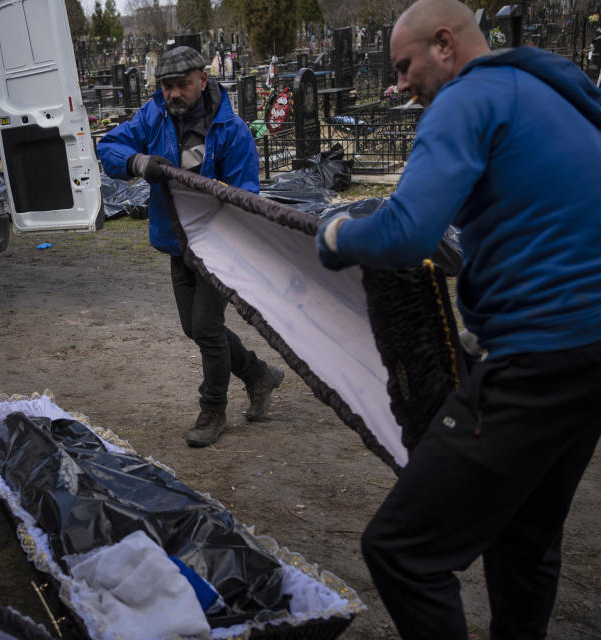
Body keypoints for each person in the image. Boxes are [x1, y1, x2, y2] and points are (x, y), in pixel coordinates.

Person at [315, 0, 601, 638]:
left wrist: (335, 234)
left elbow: (404, 232)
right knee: (525, 536)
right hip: (591, 352)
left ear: (445, 44)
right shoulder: (557, 90)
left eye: (405, 65)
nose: (400, 84)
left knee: (401, 551)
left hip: (537, 357)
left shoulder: (463, 102)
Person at [98, 46, 284, 448]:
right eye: (167, 86)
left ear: (203, 79)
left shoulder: (231, 130)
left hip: (217, 246)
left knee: (206, 327)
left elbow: (247, 196)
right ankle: (258, 374)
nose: (173, 93)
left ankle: (213, 410)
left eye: (182, 85)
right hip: (176, 241)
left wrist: (222, 197)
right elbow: (110, 146)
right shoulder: (154, 115)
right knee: (195, 328)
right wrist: (137, 163)